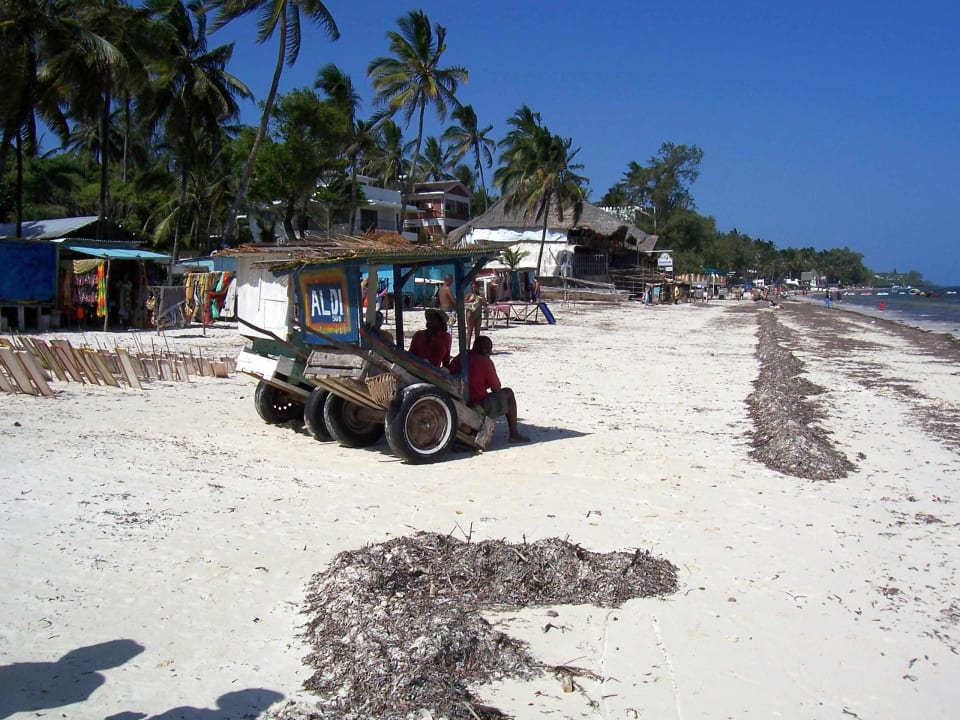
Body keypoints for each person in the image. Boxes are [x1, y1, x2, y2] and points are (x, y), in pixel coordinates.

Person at [449, 335, 529, 443]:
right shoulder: (485, 362)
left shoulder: (462, 356)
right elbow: (496, 387)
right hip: (476, 403)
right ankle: (514, 434)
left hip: (457, 397)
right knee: (508, 393)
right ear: (487, 350)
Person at [464, 280, 486, 350]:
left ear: (477, 288)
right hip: (470, 314)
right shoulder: (469, 295)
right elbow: (464, 303)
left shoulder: (481, 296)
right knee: (470, 331)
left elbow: (485, 304)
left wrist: (481, 300)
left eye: (475, 287)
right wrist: (471, 300)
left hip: (478, 314)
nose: (474, 289)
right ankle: (467, 348)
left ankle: (476, 348)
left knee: (477, 332)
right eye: (473, 287)